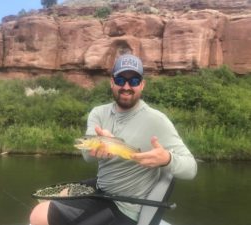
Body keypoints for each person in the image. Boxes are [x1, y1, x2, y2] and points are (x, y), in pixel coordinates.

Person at [30, 54, 197, 225]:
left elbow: (191, 168)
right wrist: (95, 151)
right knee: (50, 197)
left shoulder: (157, 121)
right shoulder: (98, 113)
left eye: (133, 81)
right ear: (112, 82)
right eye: (120, 80)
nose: (126, 86)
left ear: (142, 84)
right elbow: (87, 157)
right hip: (102, 190)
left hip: (125, 207)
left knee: (38, 215)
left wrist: (166, 159)